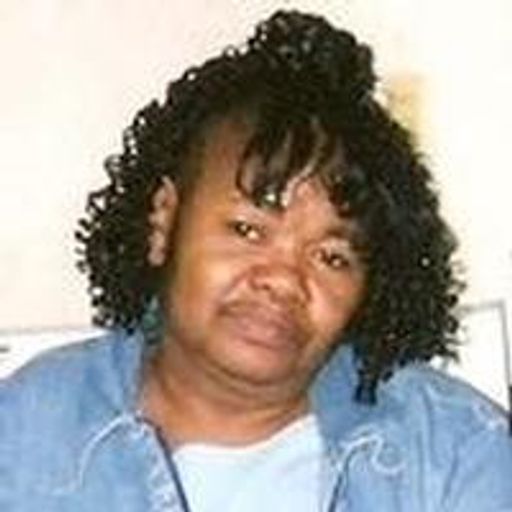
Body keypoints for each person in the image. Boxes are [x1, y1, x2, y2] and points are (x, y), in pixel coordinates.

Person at [1, 9, 511, 512]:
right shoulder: (22, 437)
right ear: (163, 223)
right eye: (248, 230)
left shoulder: (455, 456)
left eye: (331, 257)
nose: (284, 280)